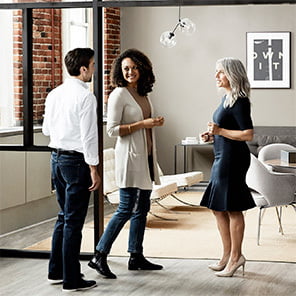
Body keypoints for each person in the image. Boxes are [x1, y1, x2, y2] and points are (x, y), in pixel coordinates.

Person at [88, 48, 164, 279]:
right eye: (126, 69)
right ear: (120, 72)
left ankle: (136, 256)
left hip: (146, 157)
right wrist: (145, 123)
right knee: (125, 208)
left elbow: (144, 123)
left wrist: (153, 123)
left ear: (142, 68)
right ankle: (99, 255)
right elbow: (112, 130)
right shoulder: (119, 94)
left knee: (142, 209)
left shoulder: (142, 93)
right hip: (129, 159)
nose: (130, 72)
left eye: (134, 67)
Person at [42, 48, 100, 292]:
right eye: (93, 65)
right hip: (76, 163)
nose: (94, 69)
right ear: (83, 68)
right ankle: (71, 279)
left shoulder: (55, 93)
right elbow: (89, 138)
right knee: (73, 222)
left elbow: (46, 130)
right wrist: (94, 169)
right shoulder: (86, 97)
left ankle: (56, 271)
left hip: (56, 159)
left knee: (63, 217)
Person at [200, 57, 256, 277]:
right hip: (222, 156)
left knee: (232, 208)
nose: (216, 76)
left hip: (233, 159)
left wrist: (220, 132)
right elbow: (222, 129)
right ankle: (226, 255)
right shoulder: (226, 99)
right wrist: (211, 135)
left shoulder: (241, 101)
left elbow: (247, 134)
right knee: (217, 207)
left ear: (232, 74)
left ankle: (236, 257)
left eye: (220, 72)